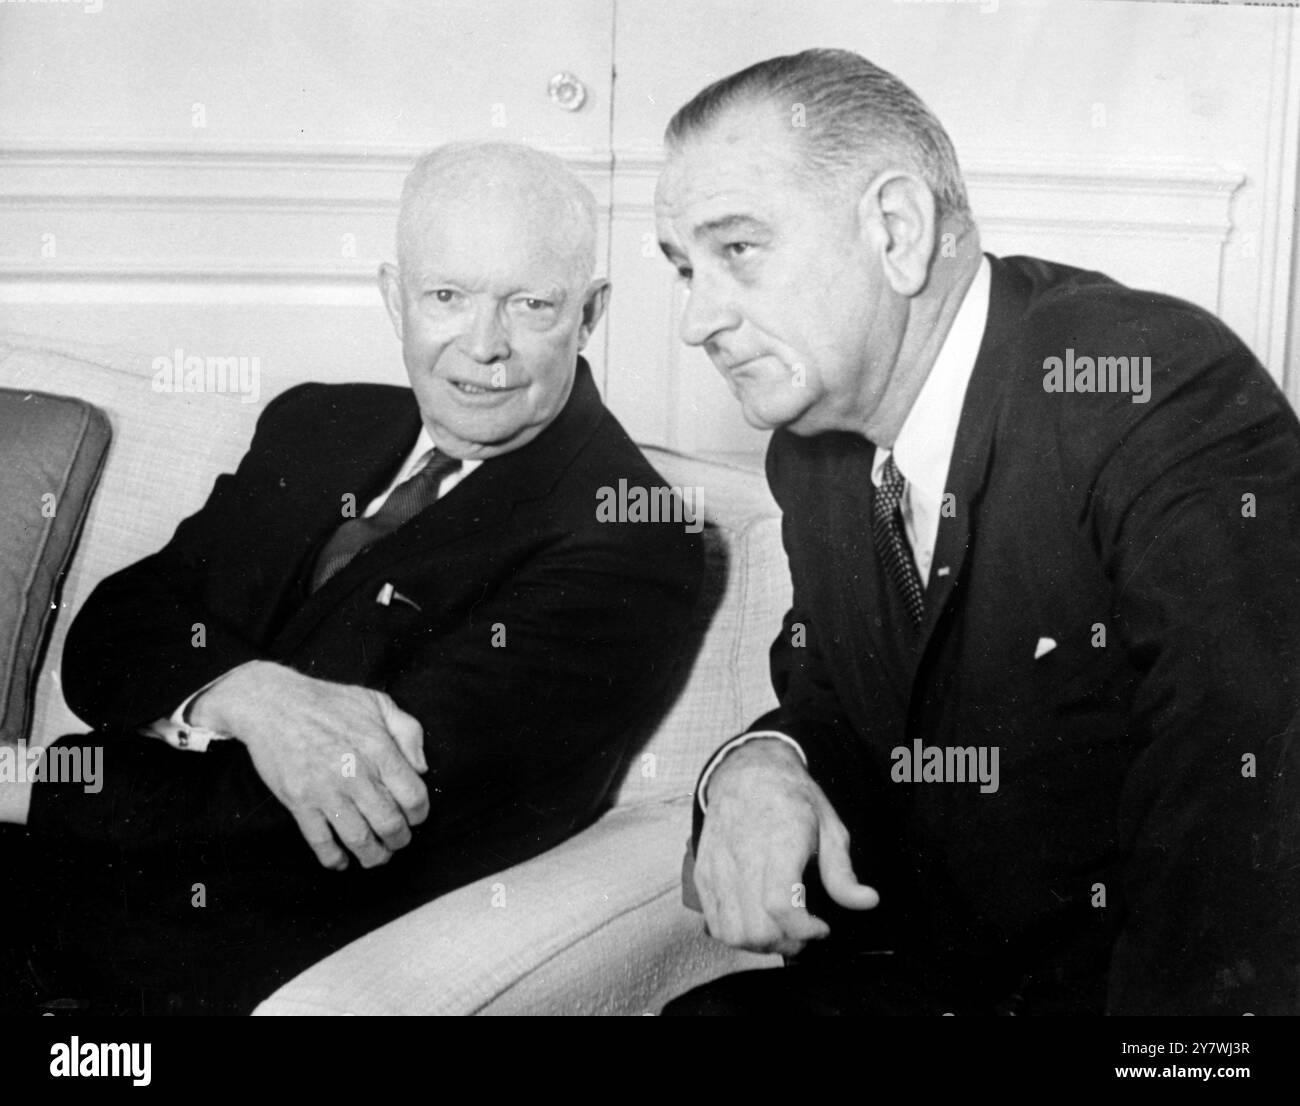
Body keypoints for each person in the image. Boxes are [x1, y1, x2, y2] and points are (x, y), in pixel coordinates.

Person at [654, 49, 1300, 1015]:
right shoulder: (816, 454)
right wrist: (757, 766)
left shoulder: (1138, 383)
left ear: (898, 230)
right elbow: (844, 700)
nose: (697, 319)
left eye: (737, 249)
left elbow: (1247, 812)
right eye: (683, 268)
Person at [3, 142, 704, 1015]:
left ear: (590, 313)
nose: (484, 347)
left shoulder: (629, 533)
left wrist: (29, 780)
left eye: (530, 304)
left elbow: (338, 812)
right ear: (391, 297)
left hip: (188, 969)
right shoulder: (319, 422)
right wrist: (244, 692)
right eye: (445, 296)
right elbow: (115, 631)